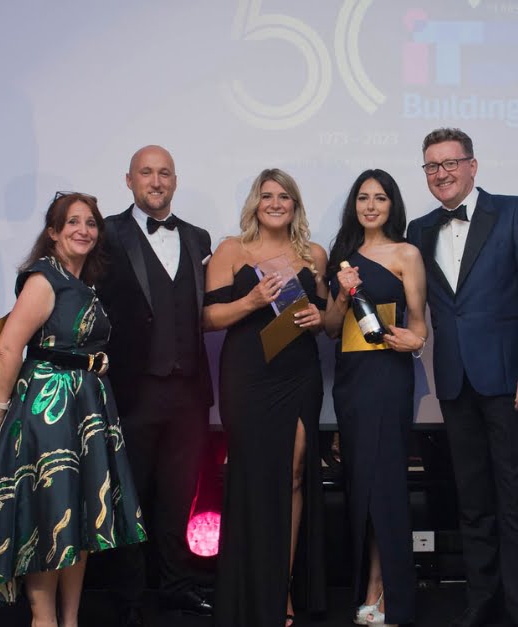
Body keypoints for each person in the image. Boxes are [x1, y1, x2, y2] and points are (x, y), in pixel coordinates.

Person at [0, 192, 145, 627]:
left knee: (78, 518)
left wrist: (96, 363)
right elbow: (7, 346)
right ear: (53, 233)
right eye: (72, 222)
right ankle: (44, 620)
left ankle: (70, 620)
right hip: (49, 410)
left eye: (91, 223)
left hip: (87, 408)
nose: (83, 230)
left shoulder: (82, 282)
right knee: (49, 514)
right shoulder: (43, 280)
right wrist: (2, 408)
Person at [406, 128, 518, 627]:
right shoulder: (418, 229)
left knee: (515, 498)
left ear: (473, 165)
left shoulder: (514, 211)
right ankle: (481, 600)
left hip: (512, 378)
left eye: (450, 162)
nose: (441, 173)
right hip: (455, 381)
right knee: (471, 501)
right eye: (431, 166)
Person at [95, 145, 215, 625]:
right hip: (133, 390)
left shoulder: (198, 237)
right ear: (129, 180)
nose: (156, 181)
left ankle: (177, 587)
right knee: (131, 495)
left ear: (175, 180)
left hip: (189, 391)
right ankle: (129, 595)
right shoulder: (105, 233)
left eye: (164, 173)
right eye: (147, 172)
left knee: (179, 495)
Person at [204, 168, 328, 627]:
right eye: (267, 196)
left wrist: (321, 316)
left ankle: (283, 588)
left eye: (285, 197)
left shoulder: (313, 254)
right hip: (248, 375)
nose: (276, 203)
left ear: (295, 205)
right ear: (256, 203)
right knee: (253, 479)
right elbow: (208, 318)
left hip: (298, 373)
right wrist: (253, 301)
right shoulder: (231, 250)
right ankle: (248, 591)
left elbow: (331, 320)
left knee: (295, 473)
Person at [322, 169, 426, 627]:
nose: (370, 206)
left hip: (389, 375)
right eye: (363, 198)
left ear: (391, 205)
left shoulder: (406, 253)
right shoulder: (342, 259)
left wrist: (413, 342)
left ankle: (388, 594)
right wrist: (343, 297)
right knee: (360, 487)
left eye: (379, 198)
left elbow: (420, 323)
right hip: (350, 380)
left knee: (385, 488)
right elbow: (329, 328)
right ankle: (370, 586)